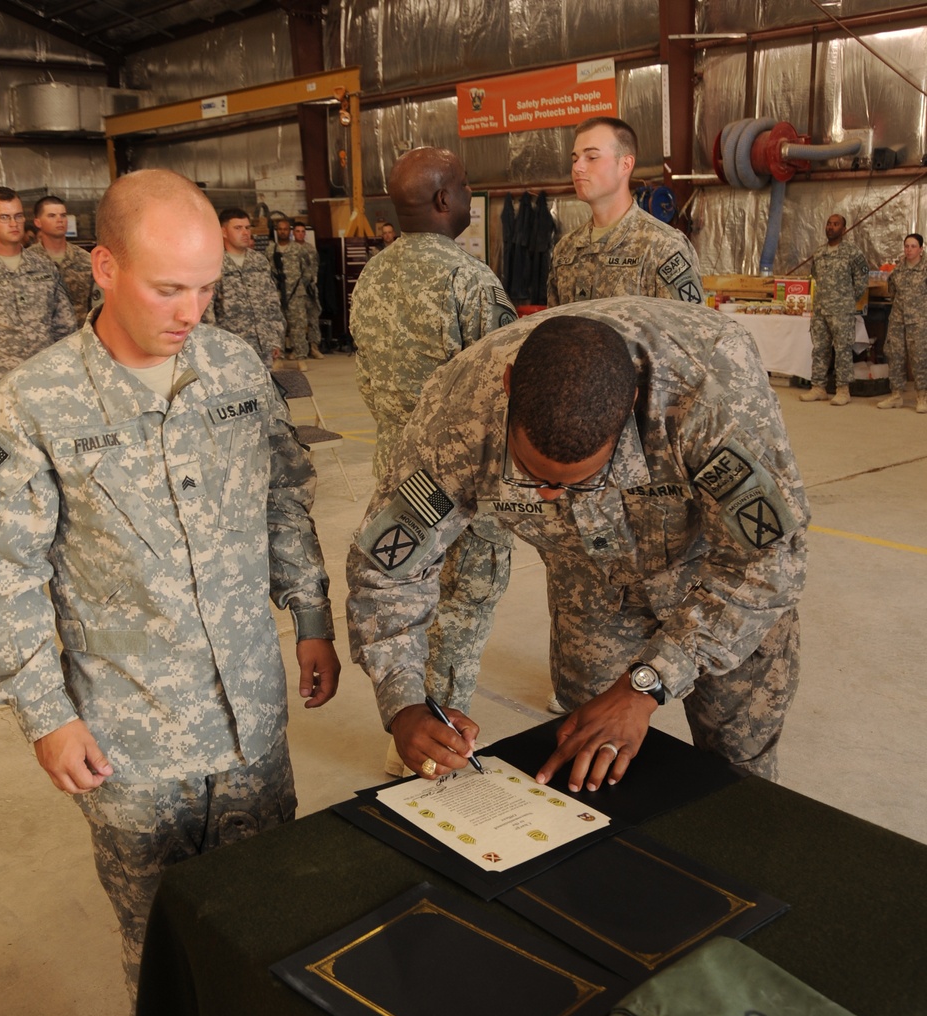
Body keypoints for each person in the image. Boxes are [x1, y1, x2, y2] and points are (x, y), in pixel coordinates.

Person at [0, 168, 340, 1003]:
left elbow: (283, 492)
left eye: (205, 288)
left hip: (252, 723)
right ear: (105, 268)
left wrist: (310, 612)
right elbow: (0, 575)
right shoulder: (29, 409)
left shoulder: (233, 368)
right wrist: (45, 715)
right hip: (133, 742)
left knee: (272, 920)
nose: (190, 312)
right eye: (168, 288)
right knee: (164, 949)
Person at [346, 301, 808, 794]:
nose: (546, 494)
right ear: (507, 387)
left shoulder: (711, 393)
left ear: (630, 408)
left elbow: (769, 561)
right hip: (589, 585)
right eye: (530, 472)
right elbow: (388, 568)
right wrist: (403, 701)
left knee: (737, 764)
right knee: (586, 762)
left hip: (718, 581)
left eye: (576, 480)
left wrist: (645, 684)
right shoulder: (458, 414)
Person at [349, 146, 518, 771]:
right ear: (446, 199)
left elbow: (367, 375)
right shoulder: (469, 280)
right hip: (464, 486)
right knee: (461, 611)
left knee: (401, 602)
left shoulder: (373, 274)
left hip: (397, 473)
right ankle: (438, 745)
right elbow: (503, 393)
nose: (471, 196)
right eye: (468, 185)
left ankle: (409, 724)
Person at [546, 118, 703, 308]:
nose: (577, 167)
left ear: (625, 165)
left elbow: (688, 333)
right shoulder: (566, 250)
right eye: (574, 159)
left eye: (592, 157)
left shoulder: (662, 247)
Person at [0, 186, 76, 415]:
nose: (14, 223)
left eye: (18, 216)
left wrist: (68, 378)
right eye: (4, 217)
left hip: (47, 382)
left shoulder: (44, 267)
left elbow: (66, 328)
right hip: (0, 390)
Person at [799, 213, 868, 407]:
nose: (831, 227)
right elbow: (815, 277)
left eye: (836, 224)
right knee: (819, 348)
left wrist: (847, 299)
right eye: (829, 224)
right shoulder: (820, 252)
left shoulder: (852, 253)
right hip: (821, 309)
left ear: (844, 230)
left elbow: (862, 279)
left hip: (842, 310)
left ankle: (843, 390)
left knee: (843, 350)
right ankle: (818, 387)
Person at [209, 207, 285, 368]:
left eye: (247, 228)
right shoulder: (213, 263)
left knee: (264, 390)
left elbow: (273, 303)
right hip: (230, 348)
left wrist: (275, 339)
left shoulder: (259, 261)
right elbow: (207, 310)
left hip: (263, 346)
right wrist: (214, 346)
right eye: (238, 228)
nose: (245, 233)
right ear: (223, 231)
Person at [877, 233, 927, 413]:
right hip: (898, 319)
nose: (909, 250)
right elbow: (892, 291)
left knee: (920, 357)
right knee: (895, 355)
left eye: (913, 246)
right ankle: (896, 394)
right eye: (907, 246)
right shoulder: (898, 270)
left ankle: (922, 396)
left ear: (921, 249)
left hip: (920, 320)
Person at [30, 194, 95, 328]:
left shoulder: (85, 259)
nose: (60, 220)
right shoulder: (28, 260)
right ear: (37, 222)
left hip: (80, 335)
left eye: (63, 215)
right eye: (52, 216)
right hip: (43, 339)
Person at [266, 218, 318, 359]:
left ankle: (301, 356)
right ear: (277, 231)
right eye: (280, 229)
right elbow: (267, 271)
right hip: (277, 294)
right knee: (278, 327)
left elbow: (308, 269)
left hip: (296, 294)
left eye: (285, 229)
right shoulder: (271, 250)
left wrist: (301, 284)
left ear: (289, 231)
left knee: (299, 327)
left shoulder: (298, 249)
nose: (283, 232)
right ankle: (279, 357)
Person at [291, 221, 323, 358]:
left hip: (309, 289)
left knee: (313, 318)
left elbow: (315, 266)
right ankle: (297, 349)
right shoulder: (289, 249)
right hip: (295, 291)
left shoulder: (311, 249)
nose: (300, 234)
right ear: (293, 233)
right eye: (297, 231)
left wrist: (313, 282)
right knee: (297, 321)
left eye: (302, 231)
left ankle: (314, 347)